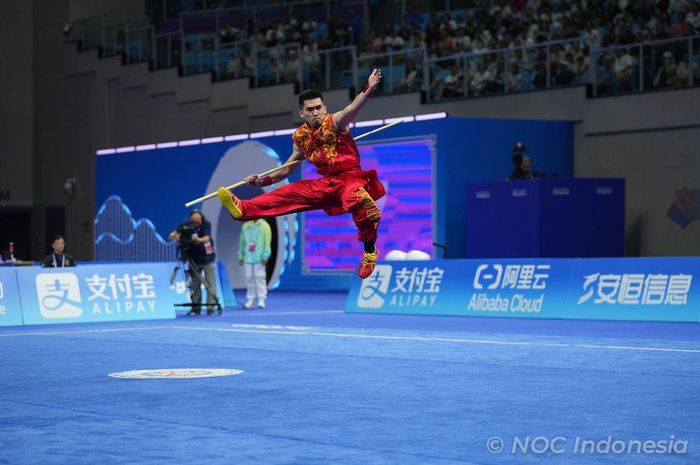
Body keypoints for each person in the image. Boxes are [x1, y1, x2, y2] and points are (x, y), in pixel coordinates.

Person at [218, 69, 384, 279]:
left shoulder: (336, 122)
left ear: (324, 108)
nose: (315, 112)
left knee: (359, 199)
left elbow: (353, 107)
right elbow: (287, 169)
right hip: (327, 184)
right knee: (290, 192)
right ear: (302, 113)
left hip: (351, 178)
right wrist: (261, 180)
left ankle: (369, 251)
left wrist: (369, 88)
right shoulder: (300, 137)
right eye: (310, 109)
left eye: (318, 108)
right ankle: (244, 209)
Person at [168, 210, 218, 315]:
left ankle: (211, 307)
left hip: (207, 258)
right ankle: (196, 308)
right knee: (195, 284)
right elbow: (172, 235)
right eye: (194, 220)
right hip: (193, 259)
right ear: (190, 219)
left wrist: (195, 240)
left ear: (202, 218)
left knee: (210, 283)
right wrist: (179, 237)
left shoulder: (206, 224)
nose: (197, 222)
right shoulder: (185, 226)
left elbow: (206, 238)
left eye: (198, 219)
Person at [238, 219, 272, 309]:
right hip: (248, 257)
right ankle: (250, 299)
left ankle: (261, 299)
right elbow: (242, 242)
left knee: (260, 277)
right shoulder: (245, 226)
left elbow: (267, 242)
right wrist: (240, 255)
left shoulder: (264, 226)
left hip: (259, 257)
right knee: (249, 278)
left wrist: (265, 255)